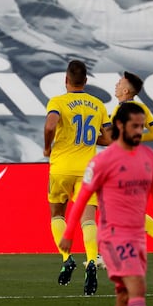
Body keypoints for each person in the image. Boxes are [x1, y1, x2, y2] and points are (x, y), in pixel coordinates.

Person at [60, 102, 153, 306]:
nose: (138, 132)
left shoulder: (145, 157)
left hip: (131, 238)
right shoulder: (104, 160)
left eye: (140, 127)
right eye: (134, 127)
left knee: (129, 293)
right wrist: (69, 232)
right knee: (129, 292)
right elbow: (83, 198)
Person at [43, 59, 111, 292]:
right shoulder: (97, 104)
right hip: (88, 170)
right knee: (88, 218)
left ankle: (66, 258)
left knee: (57, 214)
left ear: (66, 80)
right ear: (85, 81)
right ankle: (91, 260)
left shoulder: (58, 102)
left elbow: (51, 126)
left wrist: (47, 146)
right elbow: (110, 138)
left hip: (61, 166)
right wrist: (91, 140)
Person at [112, 71, 153, 268]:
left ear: (125, 90)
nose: (116, 84)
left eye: (119, 82)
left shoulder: (119, 111)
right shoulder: (141, 107)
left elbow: (114, 138)